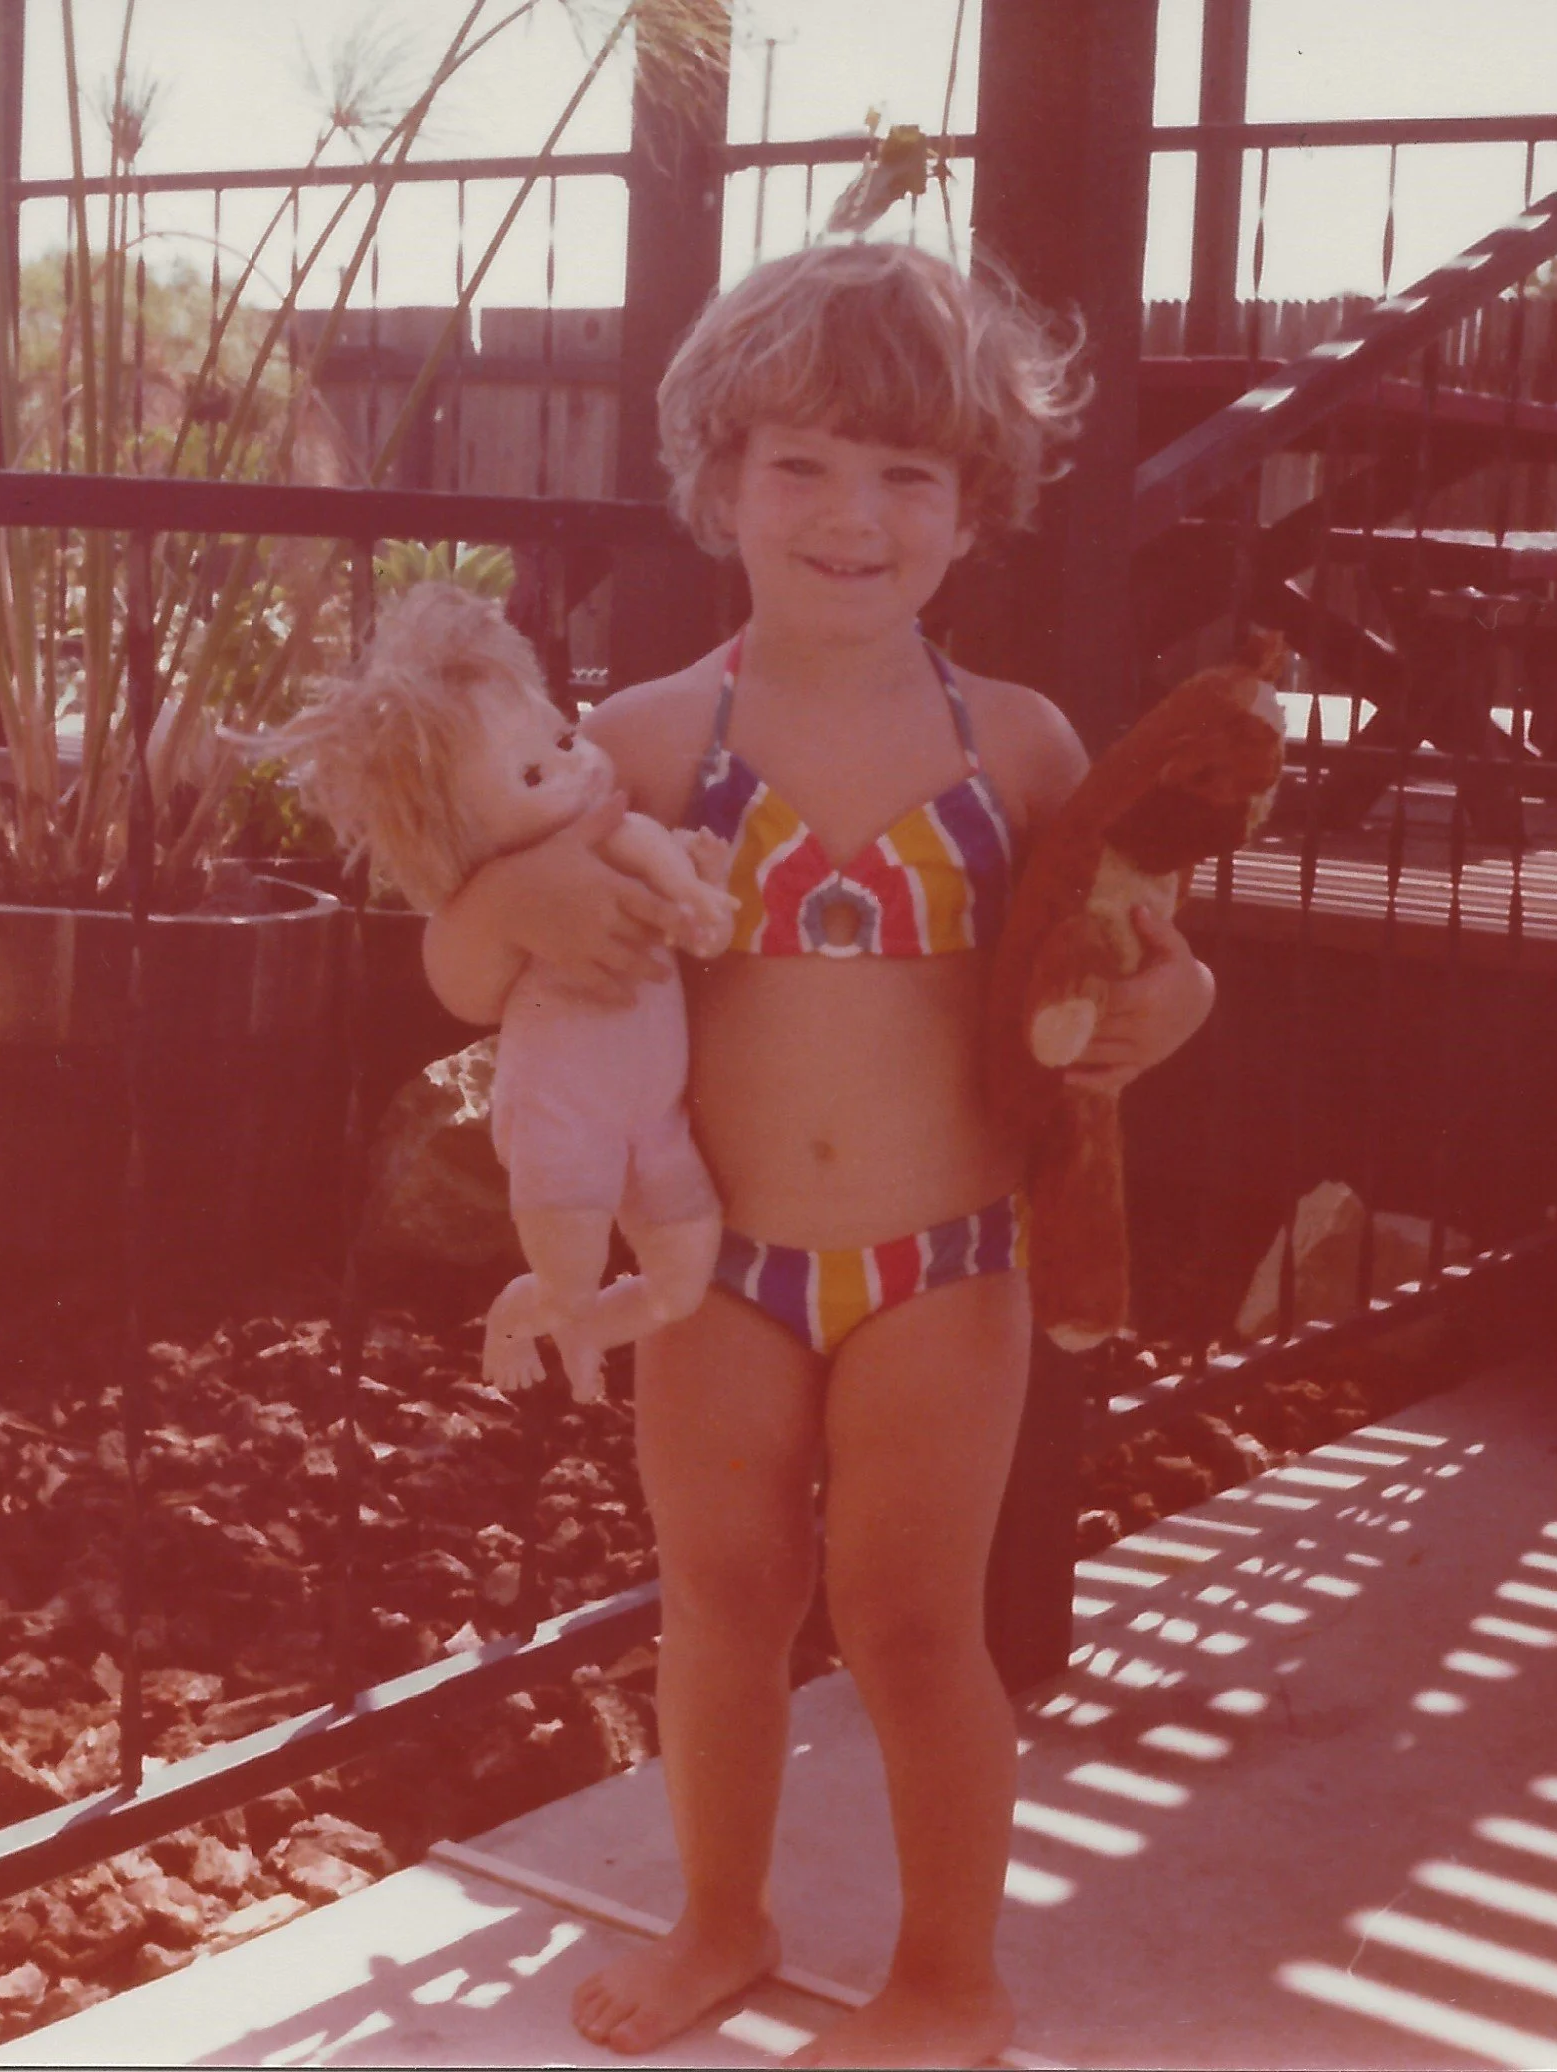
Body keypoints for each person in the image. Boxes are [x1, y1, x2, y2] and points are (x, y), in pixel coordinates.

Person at [423, 240, 1216, 2069]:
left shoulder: (1015, 744)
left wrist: (1161, 1014)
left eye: (904, 474)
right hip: (712, 1265)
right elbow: (461, 968)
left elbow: (1154, 960)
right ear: (719, 486)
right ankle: (722, 1918)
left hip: (943, 1262)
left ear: (972, 507)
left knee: (916, 1625)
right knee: (718, 1601)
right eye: (801, 465)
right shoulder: (646, 742)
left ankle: (949, 1976)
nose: (852, 516)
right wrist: (520, 902)